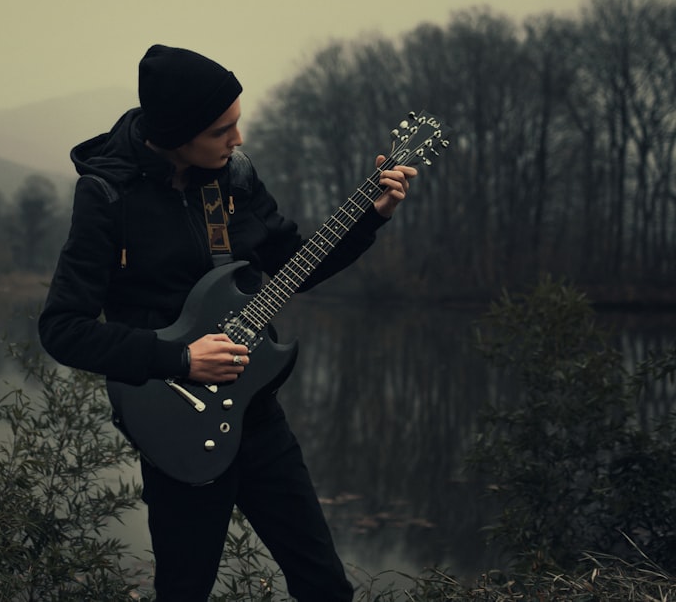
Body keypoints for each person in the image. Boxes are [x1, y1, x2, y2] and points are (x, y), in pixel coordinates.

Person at [38, 44, 416, 601]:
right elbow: (63, 328)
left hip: (257, 415)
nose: (237, 140)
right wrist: (183, 358)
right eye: (222, 131)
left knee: (326, 587)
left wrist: (370, 217)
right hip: (176, 423)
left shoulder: (232, 180)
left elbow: (293, 265)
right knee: (185, 591)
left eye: (237, 124)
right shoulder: (107, 195)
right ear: (177, 134)